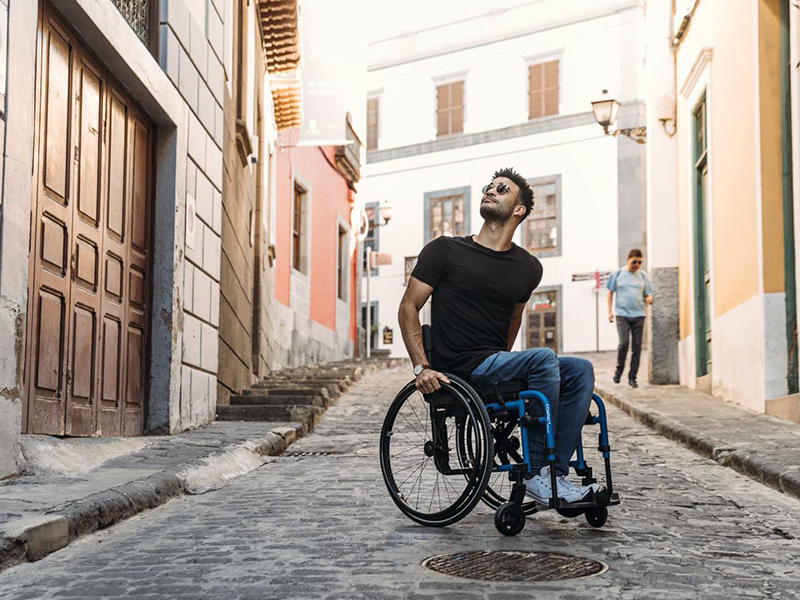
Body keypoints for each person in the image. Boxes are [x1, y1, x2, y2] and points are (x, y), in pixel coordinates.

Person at [397, 167, 598, 504]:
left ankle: (554, 474)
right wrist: (421, 367)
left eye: (502, 189)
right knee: (543, 358)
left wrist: (507, 363)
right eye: (489, 187)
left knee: (580, 369)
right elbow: (408, 307)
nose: (491, 191)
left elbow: (514, 318)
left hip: (494, 363)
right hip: (458, 368)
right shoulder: (444, 250)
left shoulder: (528, 268)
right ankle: (538, 474)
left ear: (519, 210)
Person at [606, 249, 653, 388]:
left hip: (639, 315)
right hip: (622, 315)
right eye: (634, 262)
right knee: (624, 343)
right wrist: (609, 312)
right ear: (628, 260)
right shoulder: (617, 274)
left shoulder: (643, 275)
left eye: (639, 262)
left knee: (637, 347)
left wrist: (649, 298)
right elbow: (610, 294)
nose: (637, 265)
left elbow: (647, 294)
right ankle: (619, 371)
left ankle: (632, 377)